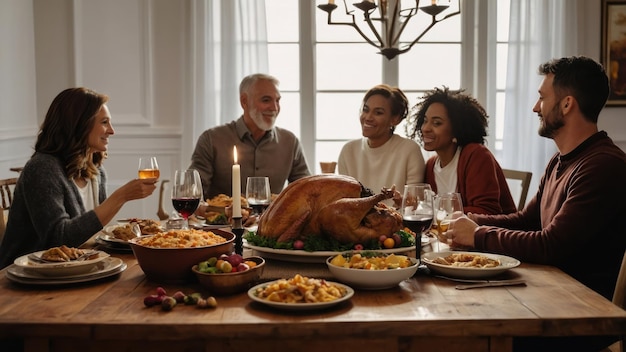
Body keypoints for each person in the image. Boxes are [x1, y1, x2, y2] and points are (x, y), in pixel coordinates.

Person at [447, 56, 626, 351]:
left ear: (567, 104)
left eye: (542, 98)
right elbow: (526, 220)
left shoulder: (602, 166)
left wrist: (477, 235)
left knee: (465, 332)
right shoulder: (561, 160)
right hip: (549, 295)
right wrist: (471, 220)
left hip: (579, 315)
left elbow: (550, 245)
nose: (535, 107)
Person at [0, 87, 157, 269]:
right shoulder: (42, 168)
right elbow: (58, 239)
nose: (111, 131)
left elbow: (92, 233)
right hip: (27, 278)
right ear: (79, 125)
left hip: (75, 270)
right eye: (104, 122)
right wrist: (120, 197)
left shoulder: (96, 171)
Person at [189, 73, 310, 201]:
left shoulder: (290, 142)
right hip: (222, 221)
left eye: (277, 100)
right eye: (266, 100)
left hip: (272, 221)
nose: (274, 108)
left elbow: (306, 191)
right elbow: (193, 192)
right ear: (244, 101)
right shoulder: (211, 140)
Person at [405, 86, 517, 215]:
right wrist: (411, 205)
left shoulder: (476, 155)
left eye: (437, 123)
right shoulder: (431, 165)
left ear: (457, 129)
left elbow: (487, 211)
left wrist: (436, 211)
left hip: (494, 232)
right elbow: (430, 210)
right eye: (425, 121)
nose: (425, 128)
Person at [337, 84, 425, 204]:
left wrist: (401, 201)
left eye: (378, 113)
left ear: (395, 119)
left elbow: (414, 204)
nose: (368, 117)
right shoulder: (349, 151)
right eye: (365, 110)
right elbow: (345, 202)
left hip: (398, 221)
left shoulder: (409, 150)